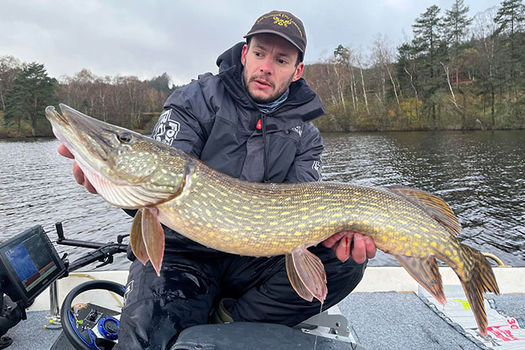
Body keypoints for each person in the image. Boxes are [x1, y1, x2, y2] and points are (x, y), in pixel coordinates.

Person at [58, 10, 376, 350]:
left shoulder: (306, 135)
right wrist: (121, 188)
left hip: (256, 258)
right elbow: (159, 179)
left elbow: (305, 211)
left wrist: (335, 232)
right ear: (244, 54)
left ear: (296, 71)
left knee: (346, 264)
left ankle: (228, 321)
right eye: (258, 53)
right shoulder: (194, 100)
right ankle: (202, 318)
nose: (266, 67)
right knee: (148, 340)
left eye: (281, 60)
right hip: (183, 254)